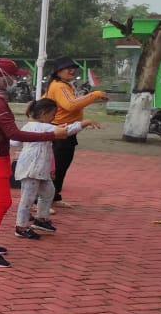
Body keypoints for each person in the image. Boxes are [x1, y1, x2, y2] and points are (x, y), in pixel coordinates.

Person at [0, 60, 67, 268]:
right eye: (13, 76)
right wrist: (51, 134)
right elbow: (13, 133)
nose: (15, 80)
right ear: (3, 77)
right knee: (2, 202)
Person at [12, 99, 97, 240]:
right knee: (27, 199)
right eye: (52, 114)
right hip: (31, 170)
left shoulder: (31, 126)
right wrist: (84, 123)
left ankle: (40, 219)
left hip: (39, 170)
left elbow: (14, 141)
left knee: (48, 192)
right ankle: (21, 227)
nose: (53, 117)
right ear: (44, 113)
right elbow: (67, 131)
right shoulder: (43, 127)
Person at [43, 56, 108, 207]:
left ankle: (53, 197)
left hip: (64, 130)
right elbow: (70, 105)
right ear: (58, 71)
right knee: (56, 167)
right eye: (68, 68)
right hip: (61, 131)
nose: (72, 70)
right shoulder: (60, 86)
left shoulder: (62, 85)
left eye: (73, 68)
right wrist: (95, 94)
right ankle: (40, 200)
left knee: (60, 166)